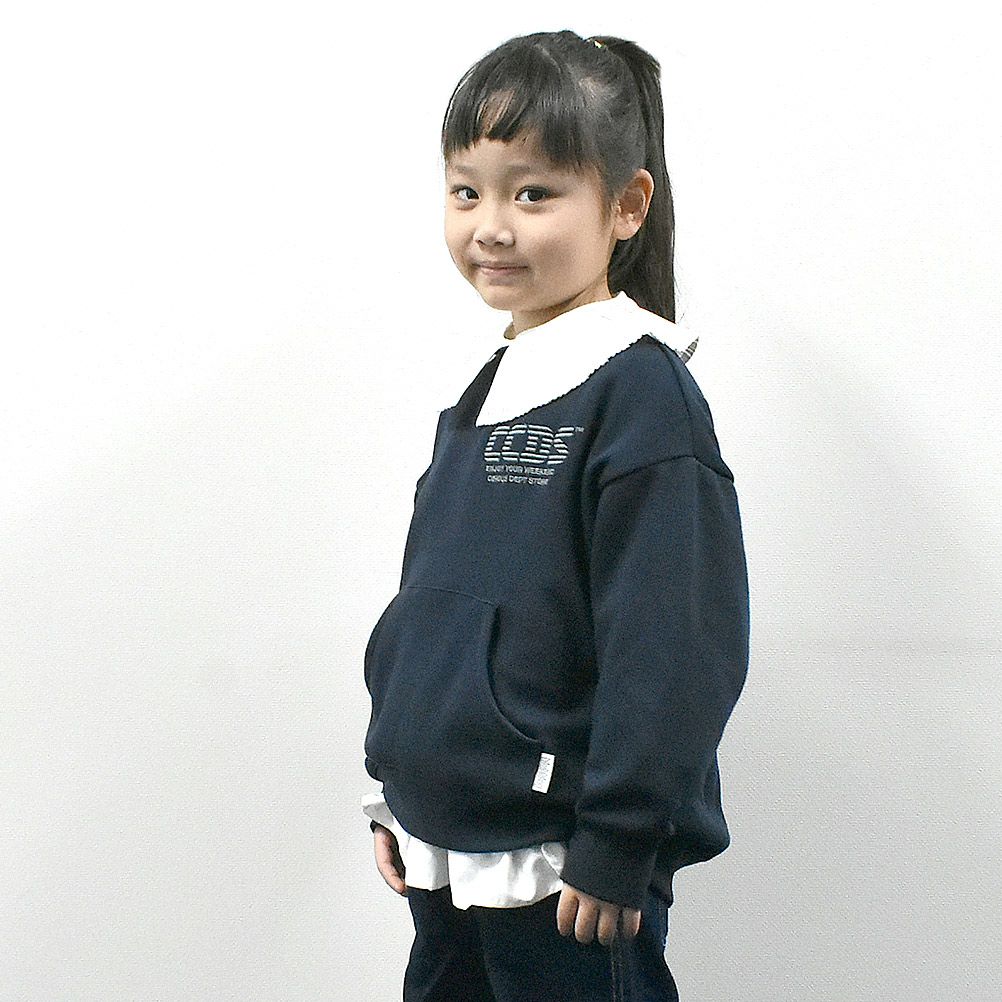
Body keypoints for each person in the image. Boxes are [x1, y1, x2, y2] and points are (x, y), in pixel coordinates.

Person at [359, 29, 750, 1002]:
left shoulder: (640, 394)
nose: (491, 226)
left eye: (532, 193)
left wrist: (619, 838)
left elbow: (674, 645)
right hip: (447, 850)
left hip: (562, 874)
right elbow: (431, 612)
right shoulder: (485, 392)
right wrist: (395, 787)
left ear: (626, 205)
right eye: (467, 191)